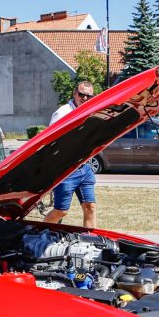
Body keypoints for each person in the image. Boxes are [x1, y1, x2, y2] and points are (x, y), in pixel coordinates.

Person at [44, 81, 97, 228]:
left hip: (85, 168)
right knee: (61, 211)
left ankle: (91, 243)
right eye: (81, 94)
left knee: (90, 206)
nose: (85, 98)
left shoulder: (91, 111)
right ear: (74, 94)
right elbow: (50, 140)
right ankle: (40, 233)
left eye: (89, 96)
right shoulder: (63, 113)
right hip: (66, 169)